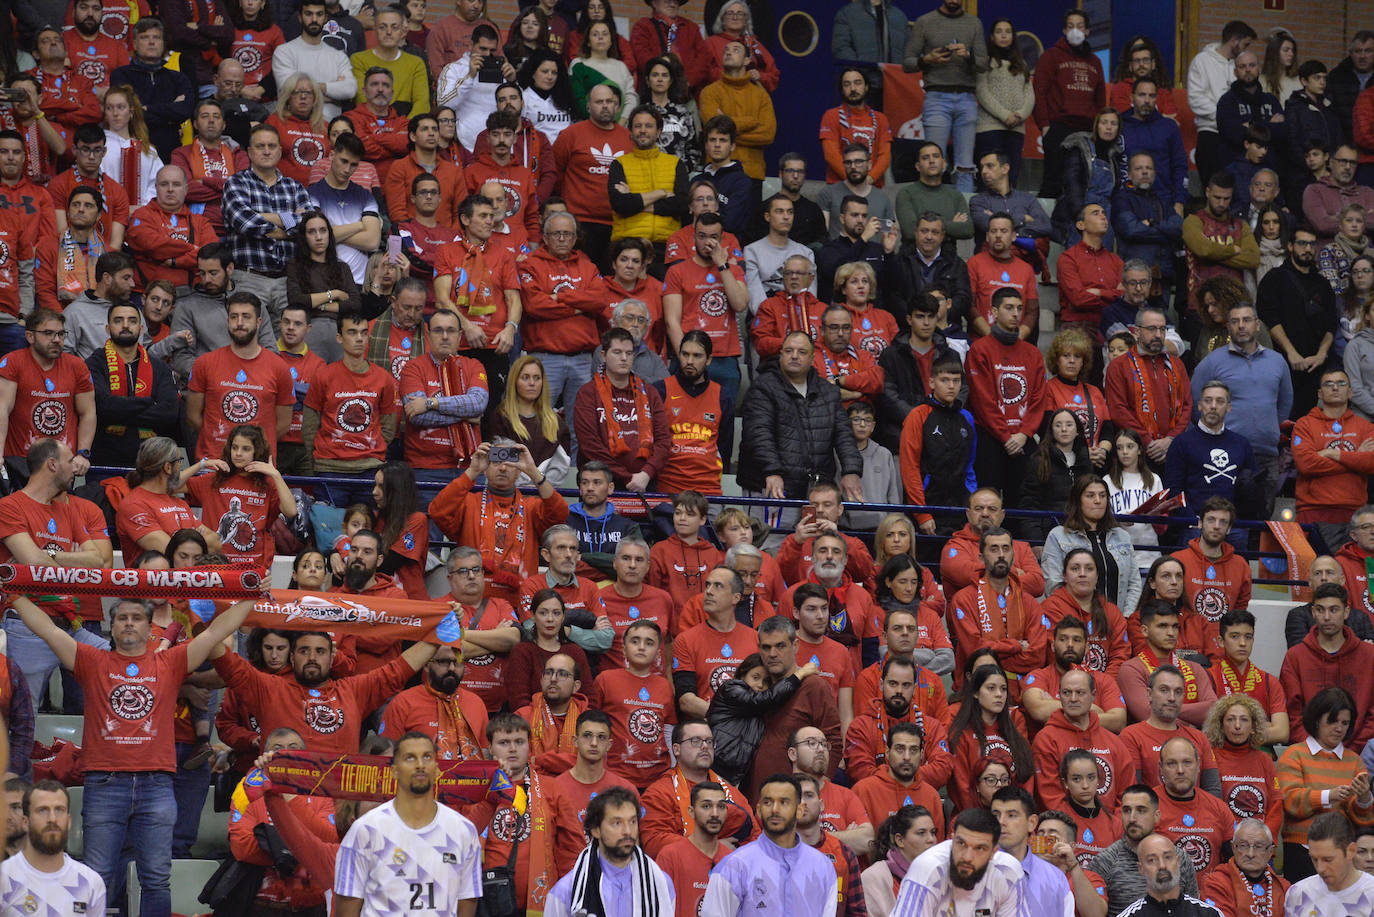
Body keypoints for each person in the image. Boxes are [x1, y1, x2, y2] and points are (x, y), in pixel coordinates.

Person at [10, 590, 250, 916]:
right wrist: (13, 595)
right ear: (111, 627)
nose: (128, 623)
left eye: (136, 618)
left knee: (156, 879)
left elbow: (215, 633)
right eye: (122, 617)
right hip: (105, 784)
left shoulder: (168, 662)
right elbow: (48, 630)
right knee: (96, 877)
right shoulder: (93, 661)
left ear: (149, 627)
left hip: (157, 785)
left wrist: (251, 597)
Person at [333, 732, 480, 916]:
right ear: (394, 770)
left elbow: (466, 906)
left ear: (437, 769)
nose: (420, 765)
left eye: (427, 757)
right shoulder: (364, 831)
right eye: (409, 758)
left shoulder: (463, 831)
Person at [430, 440, 570, 604]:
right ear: (486, 467)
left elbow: (560, 512)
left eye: (510, 463)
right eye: (495, 461)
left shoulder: (530, 507)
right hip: (472, 602)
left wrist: (533, 472)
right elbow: (437, 511)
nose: (503, 468)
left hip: (520, 603)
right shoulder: (468, 503)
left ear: (518, 471)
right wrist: (472, 471)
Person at [702, 773, 838, 916]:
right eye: (768, 802)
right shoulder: (733, 867)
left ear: (799, 811)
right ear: (759, 811)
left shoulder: (822, 867)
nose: (775, 809)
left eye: (784, 802)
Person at [1276, 689, 1374, 880]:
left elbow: (1363, 820)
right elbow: (1291, 801)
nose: (1339, 728)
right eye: (1332, 721)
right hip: (1301, 850)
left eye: (1345, 723)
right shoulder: (1294, 754)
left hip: (1343, 855)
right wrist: (1330, 795)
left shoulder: (1354, 761)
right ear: (1316, 720)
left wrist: (1364, 798)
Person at [966, 288, 1045, 512]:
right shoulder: (980, 350)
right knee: (987, 504)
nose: (1016, 314)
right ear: (993, 311)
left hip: (1023, 439)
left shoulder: (1032, 353)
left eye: (1019, 308)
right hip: (990, 439)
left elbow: (1039, 398)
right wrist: (1005, 436)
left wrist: (1024, 434)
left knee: (1023, 503)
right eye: (1009, 308)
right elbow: (982, 400)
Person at [900, 0, 986, 193]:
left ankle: (964, 211)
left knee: (965, 164)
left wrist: (968, 56)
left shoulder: (974, 23)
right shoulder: (925, 21)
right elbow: (907, 62)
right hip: (936, 97)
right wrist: (927, 59)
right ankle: (932, 213)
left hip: (967, 97)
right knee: (932, 161)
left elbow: (983, 63)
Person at [573, 327, 670, 489]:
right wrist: (627, 478)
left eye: (629, 353)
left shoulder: (650, 392)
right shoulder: (588, 394)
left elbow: (664, 441)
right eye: (617, 352)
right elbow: (590, 446)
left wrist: (646, 473)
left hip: (646, 481)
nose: (624, 358)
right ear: (603, 356)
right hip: (600, 483)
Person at [1279, 583, 1374, 747]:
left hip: (1359, 754)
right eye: (1321, 609)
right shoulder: (1295, 657)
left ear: (1346, 612)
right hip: (1308, 752)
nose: (1327, 617)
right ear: (1313, 612)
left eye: (1334, 609)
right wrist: (1315, 749)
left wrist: (1352, 750)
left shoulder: (1370, 655)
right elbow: (1292, 715)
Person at [398, 309, 488, 479]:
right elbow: (417, 417)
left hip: (470, 468)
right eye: (438, 330)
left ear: (460, 335)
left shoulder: (474, 366)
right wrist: (466, 415)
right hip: (426, 469)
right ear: (429, 335)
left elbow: (478, 404)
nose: (445, 336)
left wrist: (431, 403)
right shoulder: (413, 368)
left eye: (451, 330)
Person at [1293, 367, 1374, 550]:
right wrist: (1355, 458)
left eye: (1341, 383)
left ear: (1350, 392)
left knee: (1352, 576)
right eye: (1329, 384)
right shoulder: (1304, 425)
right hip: (1313, 512)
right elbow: (1306, 465)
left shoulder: (1365, 427)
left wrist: (1332, 453)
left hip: (1354, 514)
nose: (1335, 388)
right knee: (1315, 575)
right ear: (1320, 394)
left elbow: (1371, 463)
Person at [1088, 786, 1201, 917]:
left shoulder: (1178, 858)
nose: (1132, 818)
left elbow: (1193, 908)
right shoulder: (1105, 862)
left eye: (1141, 811)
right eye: (1126, 810)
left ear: (1157, 816)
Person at [1104, 303, 1192, 470]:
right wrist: (1148, 442)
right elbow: (1118, 410)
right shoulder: (1119, 366)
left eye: (1162, 329)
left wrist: (1170, 440)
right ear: (1137, 332)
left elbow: (1187, 405)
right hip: (1135, 453)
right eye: (1151, 329)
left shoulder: (1177, 364)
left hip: (1173, 449)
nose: (1158, 335)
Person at [892, 806, 1025, 915]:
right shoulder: (928, 869)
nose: (967, 857)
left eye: (979, 848)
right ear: (952, 839)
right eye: (961, 843)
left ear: (993, 853)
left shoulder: (1008, 873)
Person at [0, 780, 106, 915]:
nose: (52, 818)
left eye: (59, 810)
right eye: (42, 810)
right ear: (25, 822)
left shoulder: (91, 883)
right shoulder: (3, 878)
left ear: (69, 821)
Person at [1032, 9, 1106, 201]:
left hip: (1087, 129)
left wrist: (1098, 129)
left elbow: (1100, 99)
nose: (1076, 31)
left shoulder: (1096, 62)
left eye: (1080, 27)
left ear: (1088, 31)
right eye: (1071, 26)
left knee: (1082, 181)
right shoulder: (1051, 56)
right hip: (1058, 126)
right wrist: (1045, 125)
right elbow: (1039, 92)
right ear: (1064, 30)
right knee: (1052, 182)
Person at [108, 18, 196, 160]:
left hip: (170, 154)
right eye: (144, 37)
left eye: (156, 37)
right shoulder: (121, 75)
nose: (151, 42)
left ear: (163, 44)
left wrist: (147, 108)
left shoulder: (178, 78)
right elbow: (129, 115)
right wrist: (170, 111)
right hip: (132, 153)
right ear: (135, 44)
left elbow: (186, 110)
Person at [1117, 607, 1219, 728]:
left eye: (1175, 626)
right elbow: (1148, 714)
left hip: (1194, 742)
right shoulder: (1132, 669)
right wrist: (1194, 718)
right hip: (1152, 743)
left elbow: (1213, 710)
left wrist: (1166, 709)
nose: (1171, 633)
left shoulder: (1195, 668)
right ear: (1144, 631)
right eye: (1163, 626)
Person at [1152, 736, 1236, 877]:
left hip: (1210, 895)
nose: (1180, 770)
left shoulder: (1219, 808)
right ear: (1161, 768)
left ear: (1198, 765)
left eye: (1187, 762)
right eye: (1171, 763)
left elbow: (1235, 862)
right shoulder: (1148, 806)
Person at [940, 487, 1046, 597]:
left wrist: (985, 572)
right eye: (978, 508)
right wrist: (1014, 572)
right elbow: (965, 576)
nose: (985, 514)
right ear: (968, 514)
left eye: (992, 509)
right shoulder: (954, 547)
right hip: (971, 613)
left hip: (1015, 614)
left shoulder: (1022, 548)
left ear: (1002, 515)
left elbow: (1037, 585)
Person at [489, 356, 572, 484]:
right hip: (510, 491)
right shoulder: (500, 417)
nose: (532, 383)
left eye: (537, 378)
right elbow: (499, 462)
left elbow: (562, 464)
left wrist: (541, 485)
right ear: (514, 381)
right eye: (525, 377)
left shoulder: (556, 421)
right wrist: (526, 486)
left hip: (546, 492)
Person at [973, 19, 1034, 189]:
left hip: (1016, 128)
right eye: (999, 31)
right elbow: (982, 92)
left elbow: (1029, 94)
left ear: (1013, 37)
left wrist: (1020, 115)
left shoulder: (1023, 64)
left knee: (1011, 176)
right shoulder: (984, 62)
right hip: (989, 128)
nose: (1004, 35)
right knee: (988, 177)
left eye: (1008, 31)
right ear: (992, 37)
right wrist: (1005, 115)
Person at [1120, 80, 1188, 218]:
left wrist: (1179, 202)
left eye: (1151, 96)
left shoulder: (1168, 127)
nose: (1147, 100)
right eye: (1142, 95)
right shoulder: (1120, 126)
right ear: (1132, 97)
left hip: (1164, 200)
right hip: (1128, 201)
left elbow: (1180, 166)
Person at [966, 213, 1039, 339]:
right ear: (987, 236)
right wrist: (991, 337)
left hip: (1016, 345)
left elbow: (1032, 312)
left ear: (1013, 236)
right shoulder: (974, 264)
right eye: (994, 231)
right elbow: (968, 306)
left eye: (1004, 231)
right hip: (981, 342)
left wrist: (1017, 339)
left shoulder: (1026, 269)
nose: (998, 235)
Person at [860, 805, 940, 917]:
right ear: (900, 840)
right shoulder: (875, 877)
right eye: (921, 833)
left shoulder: (939, 876)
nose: (931, 839)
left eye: (932, 832)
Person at [1285, 811, 1374, 910]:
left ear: (1351, 851)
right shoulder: (1298, 893)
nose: (1320, 869)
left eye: (1328, 860)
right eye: (1314, 859)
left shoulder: (1371, 893)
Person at [894, 143, 974, 250]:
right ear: (918, 166)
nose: (931, 161)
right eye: (925, 158)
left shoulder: (955, 195)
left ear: (944, 163)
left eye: (936, 156)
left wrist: (923, 227)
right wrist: (950, 225)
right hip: (912, 260)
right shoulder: (906, 193)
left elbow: (967, 230)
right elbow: (910, 232)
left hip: (948, 260)